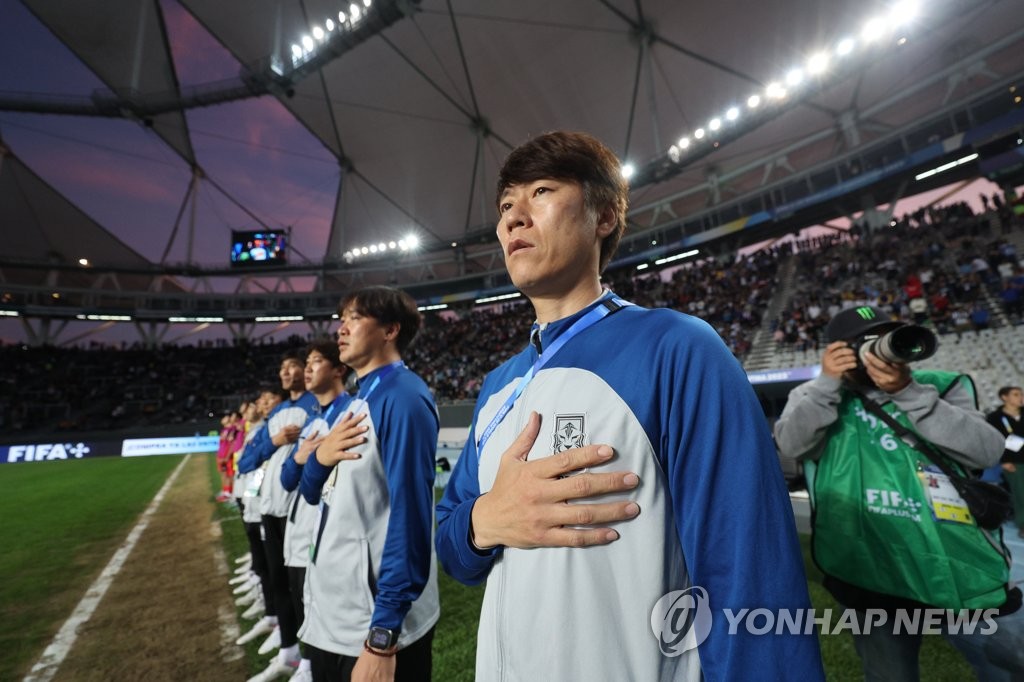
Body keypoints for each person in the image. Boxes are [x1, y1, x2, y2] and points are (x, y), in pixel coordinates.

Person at [435, 131, 823, 681]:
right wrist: (483, 520)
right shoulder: (499, 384)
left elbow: (749, 571)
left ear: (604, 217)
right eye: (504, 205)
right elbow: (451, 544)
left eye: (541, 191)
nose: (512, 219)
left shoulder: (677, 348)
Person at [775, 305, 1024, 681]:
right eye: (867, 342)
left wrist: (909, 394)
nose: (882, 349)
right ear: (839, 350)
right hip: (868, 569)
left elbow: (987, 451)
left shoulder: (939, 385)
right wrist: (827, 384)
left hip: (955, 563)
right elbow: (792, 446)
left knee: (1007, 665)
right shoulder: (814, 394)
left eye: (888, 337)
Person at [299, 286, 439, 682]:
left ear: (390, 330)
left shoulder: (403, 398)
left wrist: (383, 635)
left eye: (354, 318)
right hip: (335, 617)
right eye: (341, 319)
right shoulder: (357, 401)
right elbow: (313, 494)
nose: (341, 329)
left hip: (373, 627)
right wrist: (319, 459)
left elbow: (411, 517)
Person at [238, 352, 320, 669]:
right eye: (282, 368)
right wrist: (273, 441)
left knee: (305, 589)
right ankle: (289, 648)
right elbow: (247, 462)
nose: (285, 372)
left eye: (292, 366)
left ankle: (311, 657)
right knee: (277, 580)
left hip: (300, 513)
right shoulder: (279, 413)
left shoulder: (316, 406)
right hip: (270, 510)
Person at [986, 386, 1024, 538]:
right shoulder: (995, 417)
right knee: (1020, 493)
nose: (1020, 397)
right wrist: (1003, 461)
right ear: (1004, 397)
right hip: (1013, 462)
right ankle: (1023, 523)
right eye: (1016, 394)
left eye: (1021, 394)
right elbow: (994, 441)